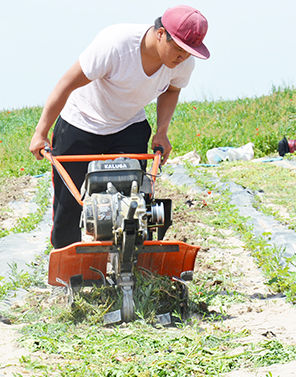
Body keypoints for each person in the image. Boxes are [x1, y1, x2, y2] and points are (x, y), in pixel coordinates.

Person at [28, 5, 210, 249]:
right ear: (160, 34)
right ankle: (65, 275)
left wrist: (162, 132)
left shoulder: (182, 63)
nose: (183, 57)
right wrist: (41, 133)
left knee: (135, 200)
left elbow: (172, 90)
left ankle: (131, 263)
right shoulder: (116, 45)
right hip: (81, 122)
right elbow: (65, 84)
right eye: (178, 48)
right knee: (69, 206)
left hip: (129, 125)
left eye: (189, 52)